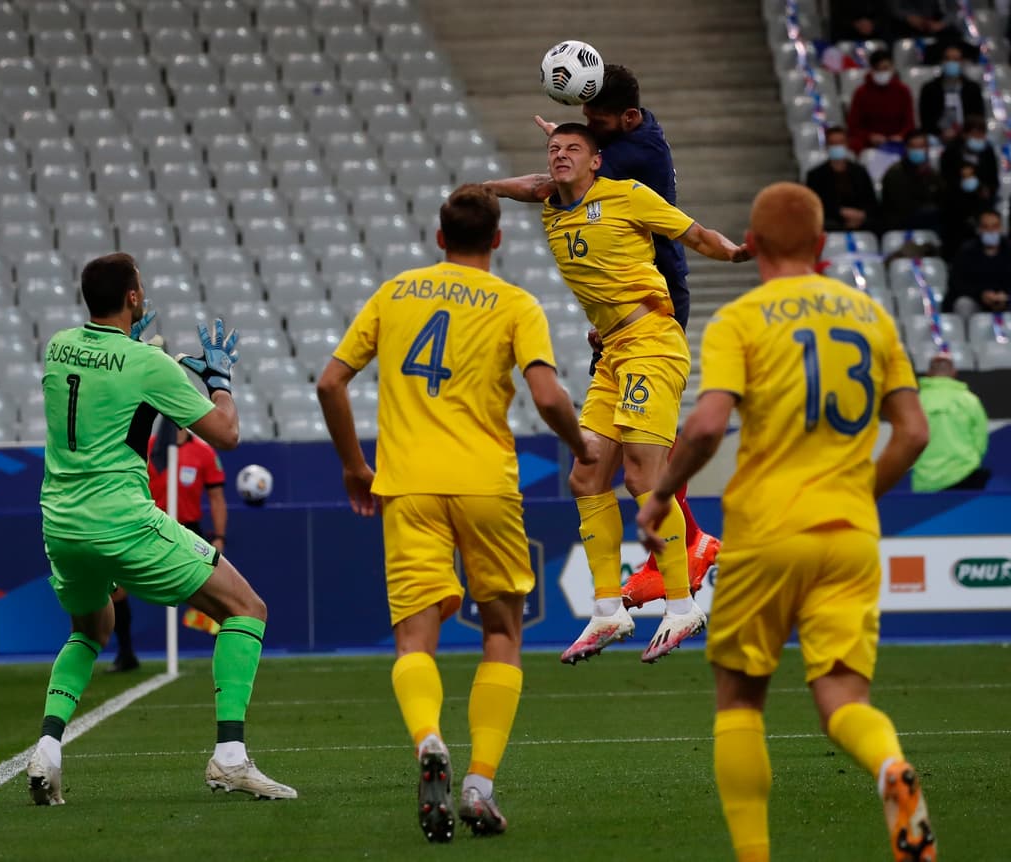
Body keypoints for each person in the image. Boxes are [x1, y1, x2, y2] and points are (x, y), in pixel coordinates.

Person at [635, 182, 936, 862]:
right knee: (841, 700)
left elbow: (708, 425)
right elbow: (913, 433)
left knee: (740, 700)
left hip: (767, 532)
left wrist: (661, 495)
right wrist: (859, 492)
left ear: (757, 244)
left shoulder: (742, 319)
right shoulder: (872, 317)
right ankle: (889, 765)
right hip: (850, 536)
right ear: (822, 245)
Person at [316, 184, 597, 842]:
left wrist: (357, 466)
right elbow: (549, 394)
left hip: (407, 485)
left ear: (439, 238)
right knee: (502, 631)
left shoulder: (396, 293)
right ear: (497, 240)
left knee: (414, 638)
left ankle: (428, 741)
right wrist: (581, 445)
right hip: (485, 483)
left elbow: (330, 381)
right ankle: (479, 784)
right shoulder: (515, 304)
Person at [27, 252, 295, 805]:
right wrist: (218, 380)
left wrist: (151, 355)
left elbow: (116, 390)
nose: (143, 293)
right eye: (140, 287)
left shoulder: (56, 348)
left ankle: (48, 748)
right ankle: (230, 758)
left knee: (90, 630)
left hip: (61, 523)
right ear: (132, 298)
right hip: (122, 520)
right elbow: (225, 434)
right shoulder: (147, 366)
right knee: (248, 609)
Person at [487, 123, 749, 664]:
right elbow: (533, 184)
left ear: (598, 161)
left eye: (573, 150)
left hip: (653, 339)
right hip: (612, 352)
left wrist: (738, 253)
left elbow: (695, 235)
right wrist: (481, 189)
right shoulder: (552, 206)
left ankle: (682, 605)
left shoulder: (628, 195)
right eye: (554, 150)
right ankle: (608, 609)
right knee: (585, 475)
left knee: (642, 475)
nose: (560, 157)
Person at [521, 63, 725, 612]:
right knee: (605, 458)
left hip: (654, 299)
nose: (589, 128)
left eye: (596, 124)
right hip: (626, 306)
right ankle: (676, 552)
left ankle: (690, 549)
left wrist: (563, 155)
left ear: (625, 121)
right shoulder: (634, 130)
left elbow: (551, 187)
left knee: (641, 449)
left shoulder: (633, 159)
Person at [109, 419, 229, 671]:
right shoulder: (149, 448)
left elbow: (216, 498)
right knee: (116, 589)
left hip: (188, 530)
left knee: (214, 592)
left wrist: (219, 536)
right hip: (148, 529)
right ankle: (126, 654)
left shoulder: (204, 452)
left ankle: (226, 647)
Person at [912, 353, 990, 491]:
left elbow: (908, 439)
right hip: (965, 477)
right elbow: (980, 441)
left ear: (929, 373)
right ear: (954, 373)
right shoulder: (970, 401)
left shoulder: (916, 402)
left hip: (925, 481)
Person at [803, 126, 880, 232]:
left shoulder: (860, 172)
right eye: (833, 143)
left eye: (840, 142)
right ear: (827, 146)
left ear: (847, 144)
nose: (837, 146)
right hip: (832, 221)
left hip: (860, 220)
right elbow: (814, 206)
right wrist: (840, 213)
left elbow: (871, 202)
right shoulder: (815, 175)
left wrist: (861, 214)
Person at [942, 210, 1011, 319]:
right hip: (976, 300)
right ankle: (965, 336)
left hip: (1005, 301)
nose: (991, 231)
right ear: (979, 229)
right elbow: (957, 283)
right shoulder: (966, 252)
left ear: (1001, 228)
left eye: (995, 226)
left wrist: (1005, 295)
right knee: (963, 304)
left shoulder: (1008, 249)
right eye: (986, 227)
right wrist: (981, 294)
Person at [846, 50, 915, 155]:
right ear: (872, 70)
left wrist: (901, 135)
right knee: (855, 145)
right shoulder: (861, 93)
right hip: (870, 143)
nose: (882, 72)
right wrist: (869, 136)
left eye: (886, 68)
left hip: (898, 141)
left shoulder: (903, 91)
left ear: (892, 68)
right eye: (878, 69)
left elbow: (909, 123)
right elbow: (854, 126)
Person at [880, 129, 945, 232]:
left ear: (927, 149)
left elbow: (943, 195)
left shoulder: (930, 172)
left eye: (921, 146)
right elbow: (903, 208)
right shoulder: (895, 173)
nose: (918, 150)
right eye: (913, 147)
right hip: (902, 224)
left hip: (928, 220)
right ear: (906, 149)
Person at [918, 43, 983, 143]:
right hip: (938, 136)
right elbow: (926, 120)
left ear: (962, 62)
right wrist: (940, 133)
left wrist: (964, 133)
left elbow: (978, 117)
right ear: (942, 61)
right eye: (947, 59)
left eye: (956, 59)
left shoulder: (973, 89)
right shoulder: (929, 88)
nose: (951, 63)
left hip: (966, 135)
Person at [939, 162, 994, 259]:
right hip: (957, 244)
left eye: (970, 176)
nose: (968, 180)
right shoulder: (951, 200)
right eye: (965, 176)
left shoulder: (984, 198)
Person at [939, 115, 998, 197]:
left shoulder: (987, 150)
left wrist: (988, 190)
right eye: (975, 134)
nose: (979, 138)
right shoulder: (952, 151)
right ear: (965, 134)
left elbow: (993, 176)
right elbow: (946, 177)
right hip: (956, 198)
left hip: (982, 198)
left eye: (982, 134)